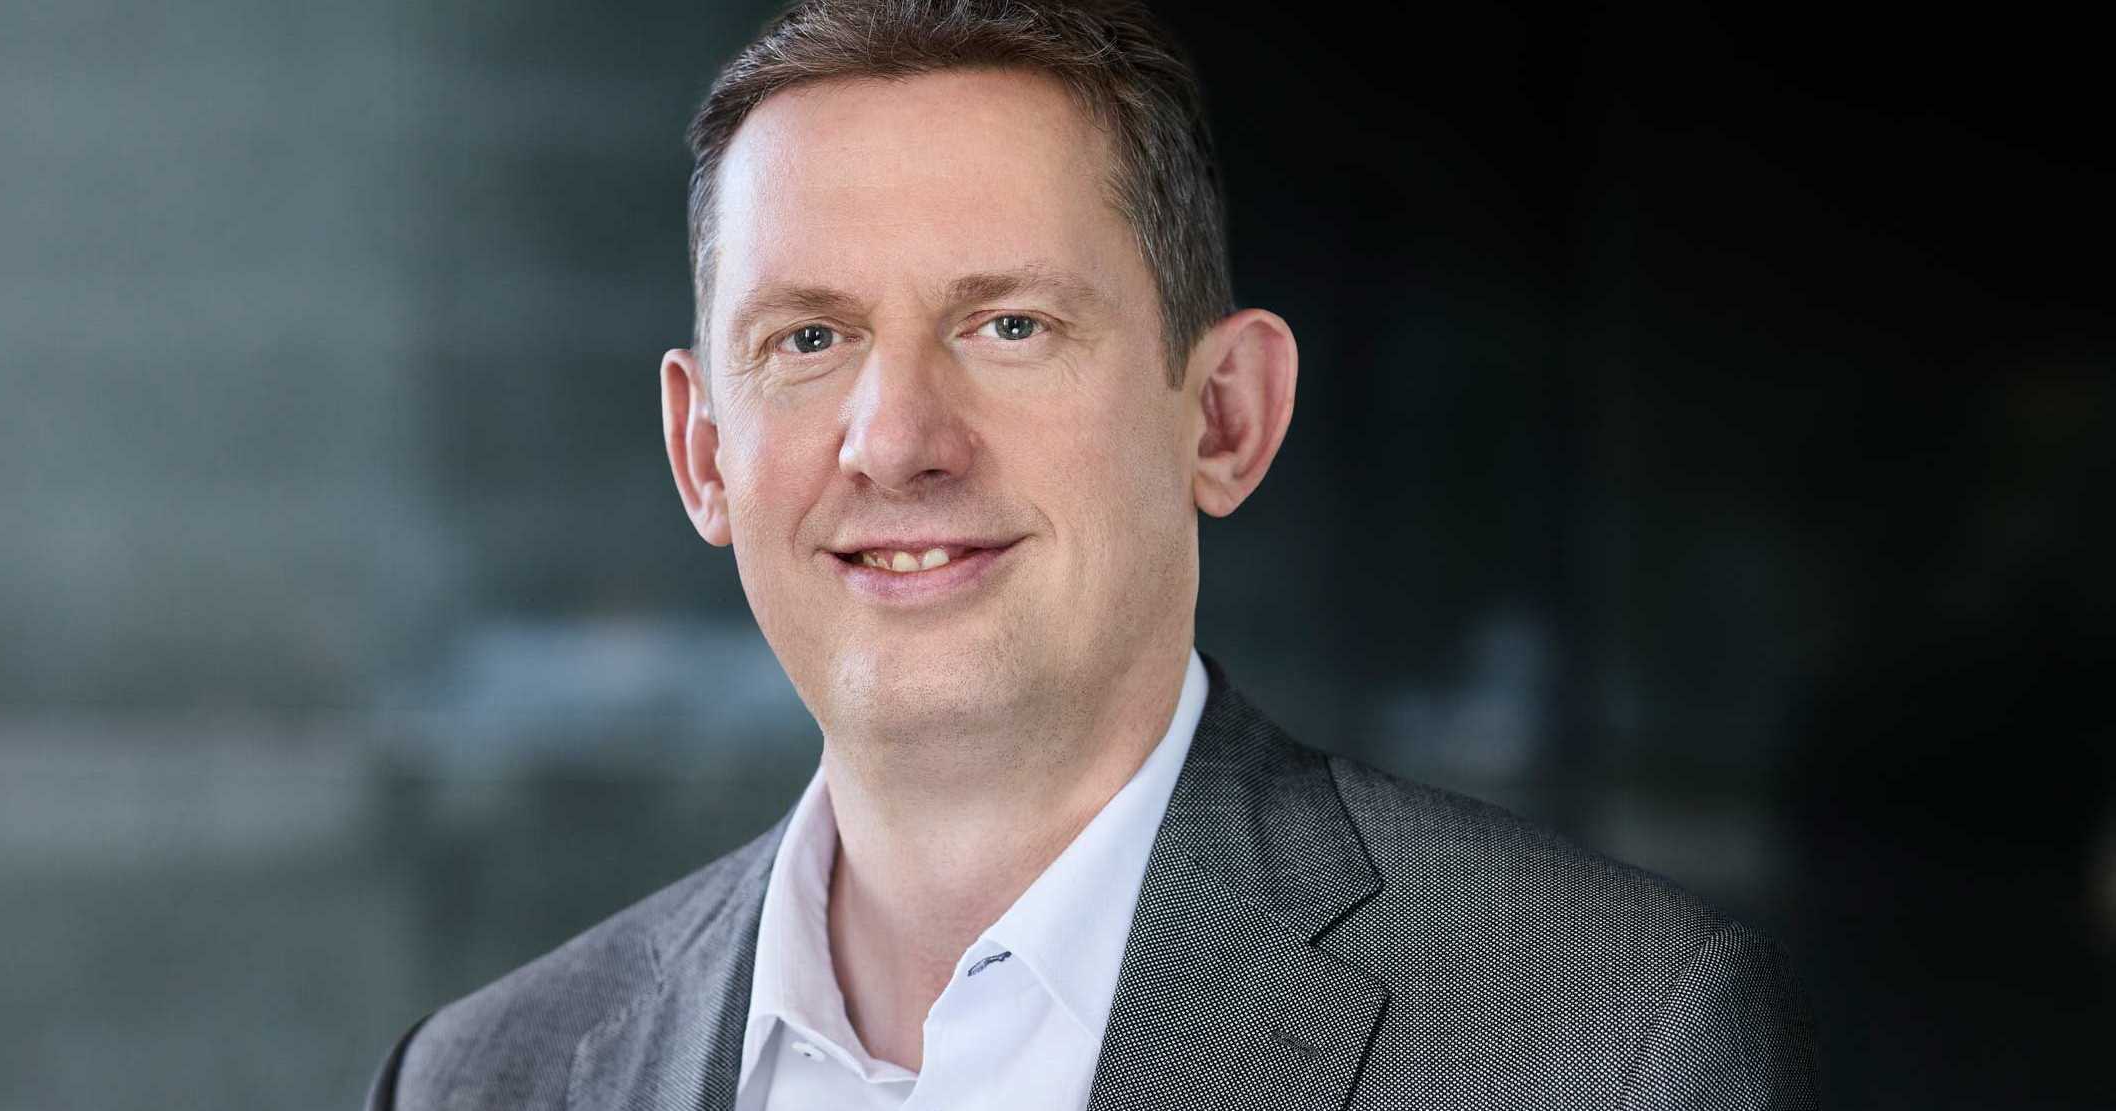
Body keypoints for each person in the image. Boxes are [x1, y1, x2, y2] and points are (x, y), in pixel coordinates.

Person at [367, 1, 1818, 1107]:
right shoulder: (489, 1079)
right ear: (703, 453)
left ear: (1227, 416)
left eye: (1010, 325)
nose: (895, 438)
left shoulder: (1592, 1039)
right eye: (808, 339)